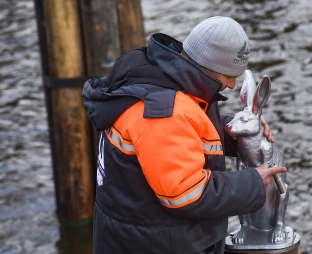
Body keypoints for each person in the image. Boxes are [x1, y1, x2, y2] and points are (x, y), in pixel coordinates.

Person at [82, 16, 287, 254]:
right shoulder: (163, 113)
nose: (232, 85)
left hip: (151, 236)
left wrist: (236, 131)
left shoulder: (171, 82)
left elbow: (182, 138)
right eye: (228, 75)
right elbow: (186, 194)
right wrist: (252, 183)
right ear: (208, 67)